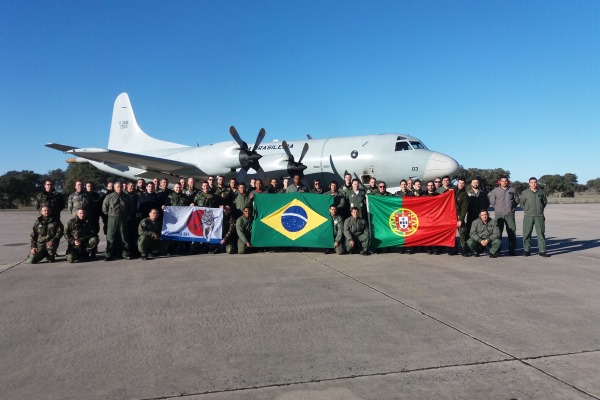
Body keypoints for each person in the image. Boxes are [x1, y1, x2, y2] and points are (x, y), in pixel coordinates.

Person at [102, 181, 135, 261]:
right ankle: (109, 254)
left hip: (123, 218)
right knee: (111, 236)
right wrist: (110, 215)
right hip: (112, 218)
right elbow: (104, 208)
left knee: (124, 236)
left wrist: (128, 215)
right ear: (114, 187)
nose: (120, 188)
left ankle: (125, 253)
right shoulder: (109, 196)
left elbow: (131, 208)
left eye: (121, 186)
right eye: (118, 187)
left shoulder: (127, 197)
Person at [488, 176, 520, 256]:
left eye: (505, 181)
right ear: (499, 182)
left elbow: (516, 200)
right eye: (502, 181)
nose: (504, 182)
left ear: (508, 181)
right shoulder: (495, 191)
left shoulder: (512, 190)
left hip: (510, 214)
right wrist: (498, 208)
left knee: (512, 233)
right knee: (498, 233)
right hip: (499, 215)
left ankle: (512, 250)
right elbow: (492, 201)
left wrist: (511, 207)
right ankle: (497, 250)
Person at [520, 177, 549, 257]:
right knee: (527, 234)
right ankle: (527, 250)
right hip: (528, 216)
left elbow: (544, 202)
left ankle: (542, 251)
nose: (533, 184)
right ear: (529, 183)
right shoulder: (525, 192)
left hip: (539, 216)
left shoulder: (541, 192)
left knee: (541, 233)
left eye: (535, 182)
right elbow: (522, 203)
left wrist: (540, 209)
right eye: (532, 182)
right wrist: (527, 209)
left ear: (537, 183)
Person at [466, 178, 490, 242]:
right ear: (471, 183)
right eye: (473, 182)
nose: (475, 184)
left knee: (481, 230)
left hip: (480, 215)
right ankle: (469, 246)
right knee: (469, 229)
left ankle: (481, 247)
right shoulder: (467, 193)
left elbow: (487, 203)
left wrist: (483, 211)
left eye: (477, 182)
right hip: (471, 214)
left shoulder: (483, 193)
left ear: (479, 183)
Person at [453, 178, 470, 256]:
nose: (461, 184)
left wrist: (460, 220)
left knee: (462, 233)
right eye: (460, 183)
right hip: (451, 216)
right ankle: (453, 248)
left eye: (463, 183)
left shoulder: (465, 195)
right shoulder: (452, 191)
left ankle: (464, 249)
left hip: (459, 216)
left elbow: (464, 208)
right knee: (451, 234)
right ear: (457, 183)